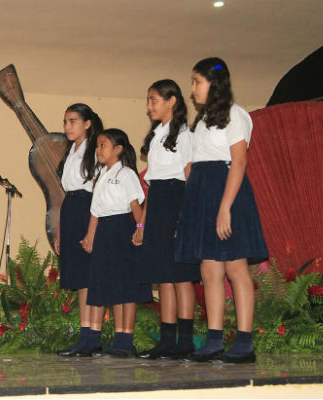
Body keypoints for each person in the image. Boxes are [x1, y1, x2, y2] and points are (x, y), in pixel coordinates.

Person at [175, 58, 268, 363]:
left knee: (235, 267)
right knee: (208, 269)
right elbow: (196, 165)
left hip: (227, 193)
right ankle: (214, 340)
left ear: (213, 84)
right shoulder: (201, 121)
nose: (192, 89)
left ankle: (244, 342)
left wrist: (225, 207)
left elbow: (238, 162)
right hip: (203, 194)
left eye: (196, 82)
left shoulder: (235, 115)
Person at [133, 80, 200, 360]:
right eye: (148, 101)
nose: (149, 107)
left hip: (177, 199)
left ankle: (185, 341)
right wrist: (141, 224)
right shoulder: (158, 134)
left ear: (172, 101)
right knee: (163, 277)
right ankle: (167, 340)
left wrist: (183, 218)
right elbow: (152, 185)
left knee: (181, 276)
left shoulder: (184, 134)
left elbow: (189, 176)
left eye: (154, 100)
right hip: (159, 200)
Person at [81, 128, 153, 357]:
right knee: (110, 285)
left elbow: (136, 207)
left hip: (122, 229)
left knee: (126, 286)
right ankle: (117, 339)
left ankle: (125, 339)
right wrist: (91, 235)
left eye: (103, 145)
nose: (98, 149)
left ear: (118, 149)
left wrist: (140, 228)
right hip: (104, 231)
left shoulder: (127, 174)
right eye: (98, 145)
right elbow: (96, 210)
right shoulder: (102, 172)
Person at [54, 104, 103, 357]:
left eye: (72, 121)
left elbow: (98, 192)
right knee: (80, 279)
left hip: (88, 210)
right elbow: (66, 193)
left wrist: (92, 231)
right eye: (65, 122)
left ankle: (93, 336)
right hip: (72, 209)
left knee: (90, 278)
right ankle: (85, 335)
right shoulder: (71, 151)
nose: (67, 127)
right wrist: (62, 233)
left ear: (87, 123)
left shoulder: (94, 151)